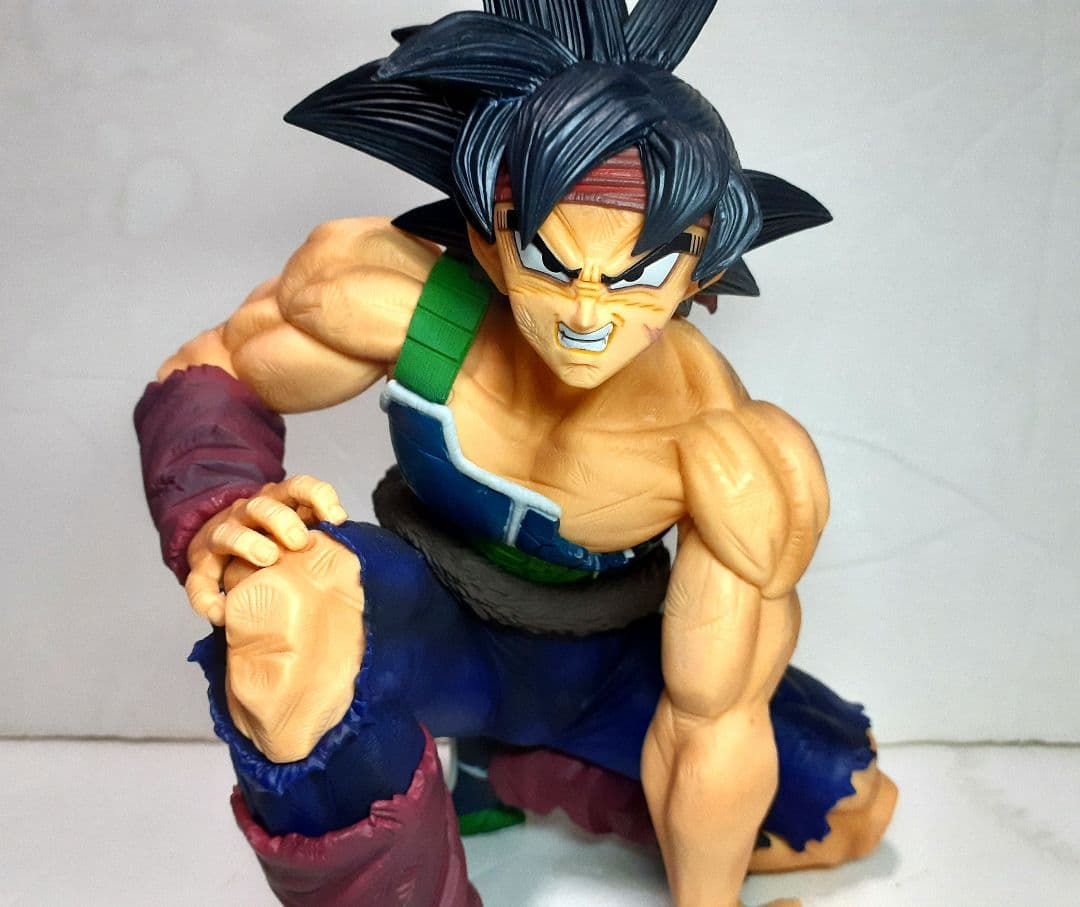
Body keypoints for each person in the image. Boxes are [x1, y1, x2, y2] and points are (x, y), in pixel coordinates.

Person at [135, 2, 896, 905]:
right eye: (548, 258)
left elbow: (712, 720)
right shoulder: (408, 304)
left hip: (598, 674)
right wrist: (219, 504)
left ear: (703, 268)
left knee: (847, 807)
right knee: (281, 616)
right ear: (492, 242)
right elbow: (217, 362)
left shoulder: (726, 450)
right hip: (427, 630)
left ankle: (513, 767)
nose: (585, 314)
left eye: (641, 273)